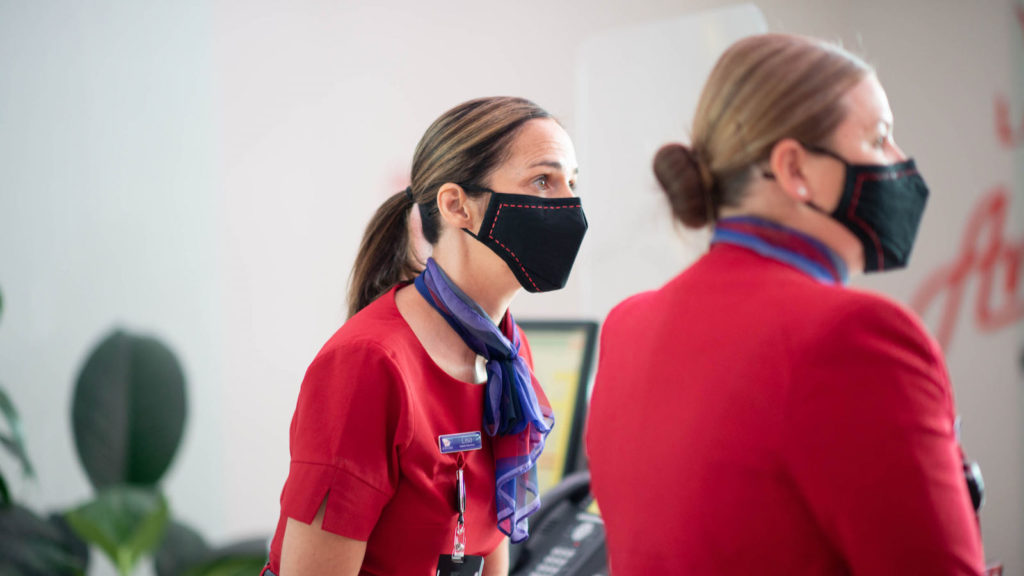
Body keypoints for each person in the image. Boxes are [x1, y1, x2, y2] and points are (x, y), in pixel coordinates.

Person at [586, 34, 986, 575]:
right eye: (880, 137)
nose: (901, 161)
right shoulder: (856, 336)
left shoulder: (627, 325)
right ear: (795, 170)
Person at [263, 96, 587, 576]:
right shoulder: (367, 364)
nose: (568, 204)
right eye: (543, 181)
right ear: (457, 205)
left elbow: (485, 540)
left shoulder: (507, 355)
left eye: (572, 183)